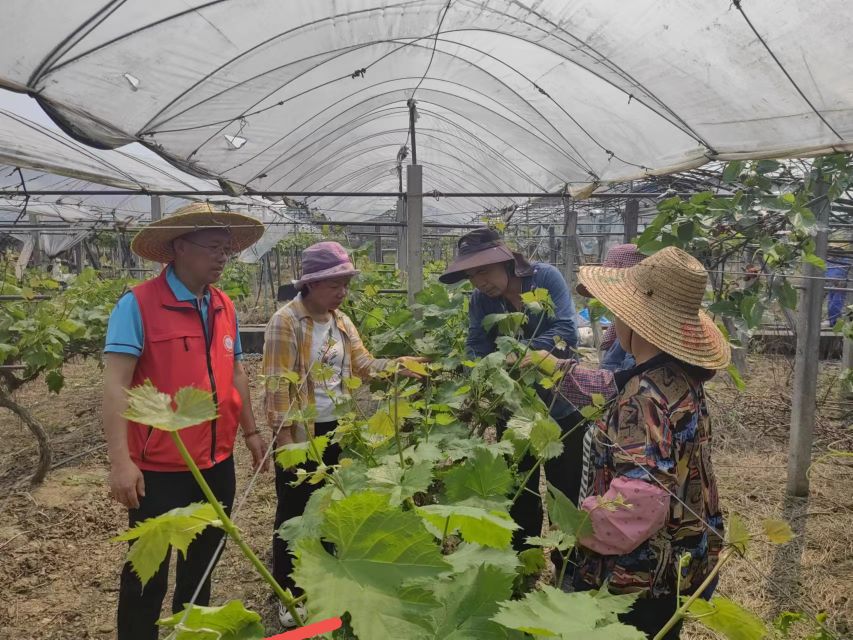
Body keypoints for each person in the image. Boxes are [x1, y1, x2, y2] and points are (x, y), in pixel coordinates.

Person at [532, 246, 729, 639]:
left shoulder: (643, 396)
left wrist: (577, 528)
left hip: (641, 576)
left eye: (619, 312)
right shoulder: (678, 378)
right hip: (682, 560)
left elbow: (639, 501)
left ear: (635, 323)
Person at [102, 202, 269, 640]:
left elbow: (236, 372)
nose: (222, 257)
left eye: (226, 250)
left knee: (202, 570)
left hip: (216, 463)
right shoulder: (137, 305)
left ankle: (190, 633)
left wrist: (250, 432)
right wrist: (121, 462)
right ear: (178, 248)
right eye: (213, 247)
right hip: (158, 469)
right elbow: (115, 385)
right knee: (146, 576)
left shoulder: (223, 305)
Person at [263, 241, 425, 628]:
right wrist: (285, 442)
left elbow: (364, 366)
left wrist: (403, 365)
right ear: (312, 284)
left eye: (345, 283)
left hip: (338, 427)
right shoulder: (285, 321)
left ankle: (331, 585)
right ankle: (292, 593)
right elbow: (275, 386)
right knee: (296, 514)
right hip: (303, 431)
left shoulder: (341, 321)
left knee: (331, 506)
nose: (342, 292)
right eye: (335, 284)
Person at [439, 227, 581, 548]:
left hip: (562, 402)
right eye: (471, 276)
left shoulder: (545, 280)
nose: (479, 282)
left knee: (566, 488)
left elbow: (566, 331)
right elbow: (476, 343)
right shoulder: (481, 301)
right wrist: (478, 375)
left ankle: (566, 563)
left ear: (505, 262)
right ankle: (523, 560)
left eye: (484, 271)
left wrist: (516, 356)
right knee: (520, 487)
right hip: (513, 407)